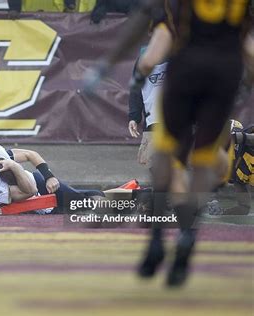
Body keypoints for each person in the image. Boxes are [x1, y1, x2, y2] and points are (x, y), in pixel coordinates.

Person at [88, 0, 253, 286]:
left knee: (165, 157)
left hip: (185, 71)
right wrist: (244, 85)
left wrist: (118, 69)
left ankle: (155, 239)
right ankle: (188, 236)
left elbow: (155, 39)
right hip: (224, 74)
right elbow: (249, 46)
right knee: (203, 161)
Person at [0, 142, 141, 214]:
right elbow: (29, 191)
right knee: (87, 199)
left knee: (89, 203)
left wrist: (49, 176)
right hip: (39, 205)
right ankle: (132, 193)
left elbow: (30, 154)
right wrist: (12, 166)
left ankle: (138, 202)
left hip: (42, 184)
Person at [128, 45, 167, 168]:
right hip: (153, 119)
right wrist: (134, 117)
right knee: (153, 164)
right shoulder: (143, 59)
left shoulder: (180, 55)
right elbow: (136, 90)